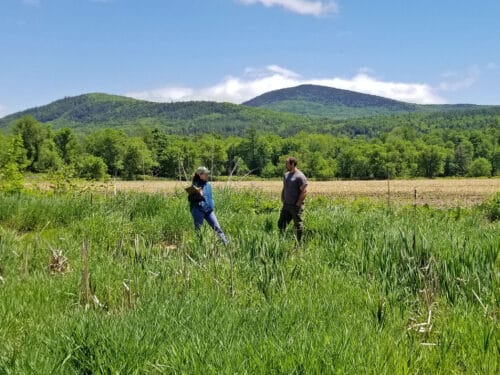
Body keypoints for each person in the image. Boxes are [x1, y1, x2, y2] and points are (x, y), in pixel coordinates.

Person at [187, 166, 228, 244]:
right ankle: (199, 247)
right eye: (205, 174)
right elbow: (190, 199)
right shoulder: (194, 185)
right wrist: (198, 194)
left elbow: (209, 197)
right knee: (199, 230)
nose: (207, 175)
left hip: (209, 210)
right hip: (198, 210)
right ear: (199, 174)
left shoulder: (208, 184)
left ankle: (226, 244)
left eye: (207, 174)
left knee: (217, 228)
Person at [278, 157, 308, 243]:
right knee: (281, 223)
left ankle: (298, 243)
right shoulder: (286, 175)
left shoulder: (300, 176)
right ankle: (282, 241)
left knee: (297, 225)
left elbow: (304, 192)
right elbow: (285, 187)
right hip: (286, 204)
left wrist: (298, 203)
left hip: (295, 205)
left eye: (287, 163)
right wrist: (282, 197)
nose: (285, 165)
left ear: (292, 164)